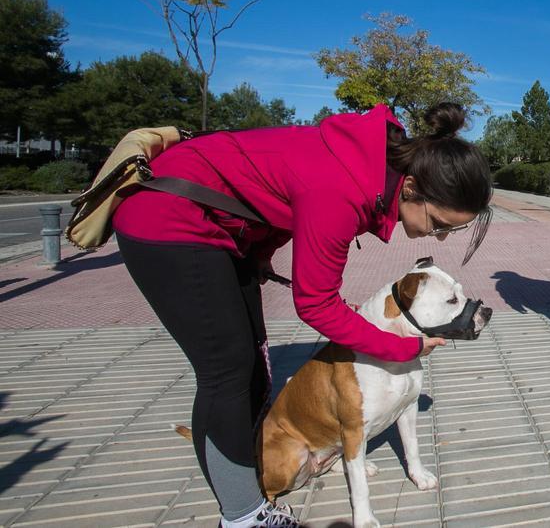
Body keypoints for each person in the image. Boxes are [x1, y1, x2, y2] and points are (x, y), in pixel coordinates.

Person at [113, 103, 492, 527]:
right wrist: (403, 346)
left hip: (223, 229)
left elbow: (277, 198)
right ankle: (242, 517)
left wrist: (259, 253)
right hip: (169, 217)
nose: (438, 235)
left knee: (254, 366)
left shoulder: (370, 170)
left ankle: (252, 465)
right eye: (440, 223)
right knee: (228, 372)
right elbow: (315, 303)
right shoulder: (345, 187)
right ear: (412, 188)